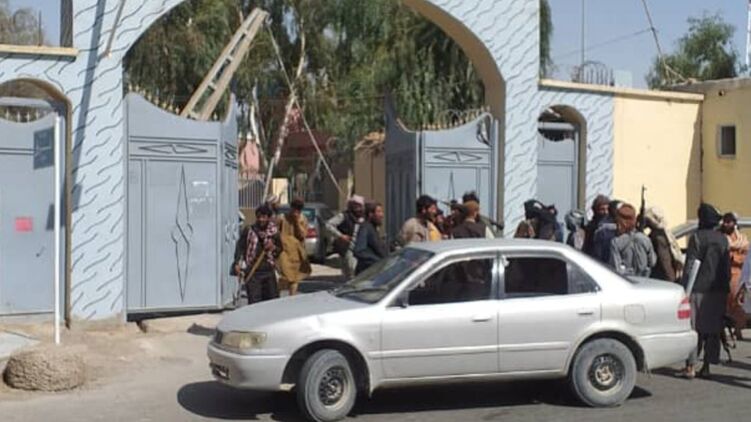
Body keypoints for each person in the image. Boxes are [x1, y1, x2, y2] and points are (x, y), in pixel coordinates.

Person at [682, 203, 731, 379]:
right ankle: (707, 366)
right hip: (718, 289)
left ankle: (690, 366)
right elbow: (726, 267)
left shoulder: (696, 238)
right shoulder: (723, 239)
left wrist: (684, 288)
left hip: (698, 288)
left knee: (693, 327)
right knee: (713, 329)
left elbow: (690, 266)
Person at [240, 205, 282, 304]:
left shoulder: (274, 233)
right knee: (254, 304)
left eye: (264, 217)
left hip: (269, 272)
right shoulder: (249, 230)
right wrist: (238, 263)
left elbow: (279, 250)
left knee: (271, 303)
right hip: (253, 272)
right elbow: (240, 247)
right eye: (259, 217)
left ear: (269, 218)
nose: (261, 219)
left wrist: (273, 247)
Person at [721, 212, 749, 339]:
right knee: (723, 304)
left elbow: (745, 255)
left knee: (737, 303)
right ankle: (723, 331)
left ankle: (738, 330)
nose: (726, 224)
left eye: (729, 222)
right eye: (725, 221)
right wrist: (734, 255)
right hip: (724, 275)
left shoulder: (742, 238)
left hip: (738, 276)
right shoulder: (721, 238)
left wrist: (735, 256)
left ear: (734, 223)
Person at [609, 203, 656, 277]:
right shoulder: (645, 239)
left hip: (624, 280)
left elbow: (616, 268)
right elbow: (652, 262)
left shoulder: (616, 242)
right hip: (644, 281)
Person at [277, 198, 312, 296]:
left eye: (298, 209)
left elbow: (302, 235)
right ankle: (276, 294)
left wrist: (297, 222)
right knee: (285, 276)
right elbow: (275, 232)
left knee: (295, 278)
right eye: (294, 208)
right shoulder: (282, 218)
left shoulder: (303, 219)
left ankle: (292, 298)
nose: (296, 211)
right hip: (284, 251)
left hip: (296, 252)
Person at [326, 195, 366, 280]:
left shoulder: (364, 217)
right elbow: (329, 225)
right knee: (351, 271)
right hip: (348, 248)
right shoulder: (344, 216)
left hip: (362, 249)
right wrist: (340, 236)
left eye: (359, 205)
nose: (357, 207)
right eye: (354, 204)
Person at [644, 207, 684, 282]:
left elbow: (664, 260)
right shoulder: (664, 234)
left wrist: (670, 280)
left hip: (662, 279)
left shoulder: (658, 237)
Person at [354, 202, 388, 275]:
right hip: (367, 274)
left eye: (382, 212)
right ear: (370, 214)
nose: (382, 215)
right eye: (379, 212)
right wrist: (378, 262)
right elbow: (359, 251)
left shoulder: (373, 228)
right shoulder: (365, 228)